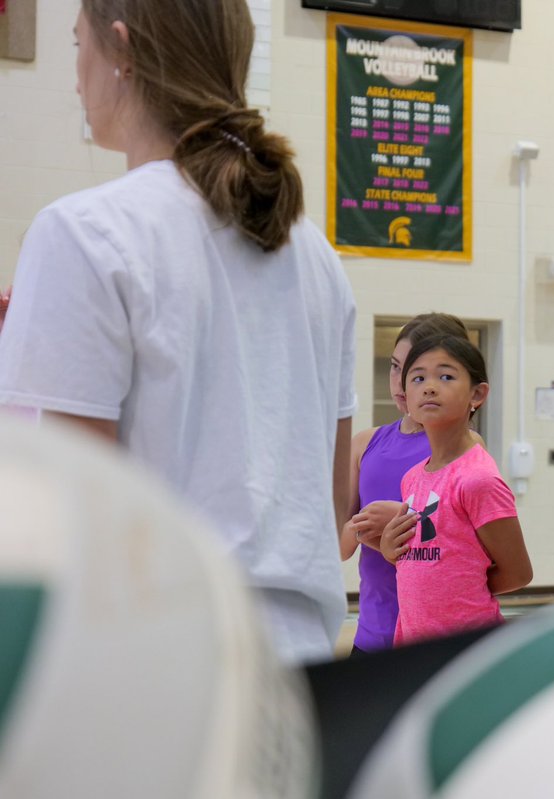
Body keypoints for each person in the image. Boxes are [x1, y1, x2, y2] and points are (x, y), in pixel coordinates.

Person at [0, 0, 357, 664]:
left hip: (153, 668)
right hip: (300, 672)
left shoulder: (84, 233)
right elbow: (335, 510)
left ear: (121, 48)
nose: (76, 75)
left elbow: (67, 520)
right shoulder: (317, 257)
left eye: (78, 44)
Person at [378, 334, 532, 643]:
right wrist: (388, 550)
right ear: (406, 396)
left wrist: (462, 587)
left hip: (468, 649)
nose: (430, 386)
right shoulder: (411, 478)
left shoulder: (478, 479)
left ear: (477, 394)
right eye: (418, 377)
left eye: (446, 376)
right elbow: (425, 559)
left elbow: (518, 572)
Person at [340, 313, 476, 655]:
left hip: (438, 638)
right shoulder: (364, 444)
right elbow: (338, 547)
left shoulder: (465, 446)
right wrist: (366, 529)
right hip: (373, 635)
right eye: (396, 367)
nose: (401, 383)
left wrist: (405, 522)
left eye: (416, 371)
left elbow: (471, 550)